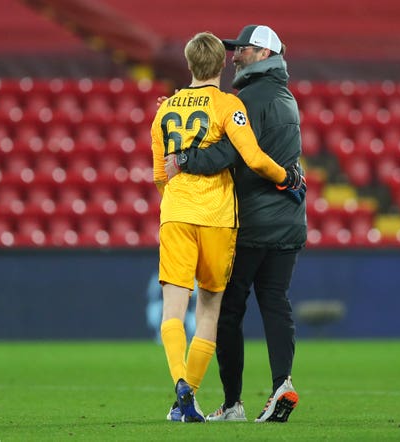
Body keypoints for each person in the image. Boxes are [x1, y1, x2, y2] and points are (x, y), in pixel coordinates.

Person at [151, 31, 303, 423]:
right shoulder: (268, 101)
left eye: (243, 50)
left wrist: (183, 163)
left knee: (197, 308)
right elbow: (256, 154)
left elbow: (164, 173)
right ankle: (272, 383)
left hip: (207, 214)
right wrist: (289, 178)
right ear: (218, 63)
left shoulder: (179, 108)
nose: (236, 57)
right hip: (252, 218)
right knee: (244, 305)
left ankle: (200, 393)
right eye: (230, 53)